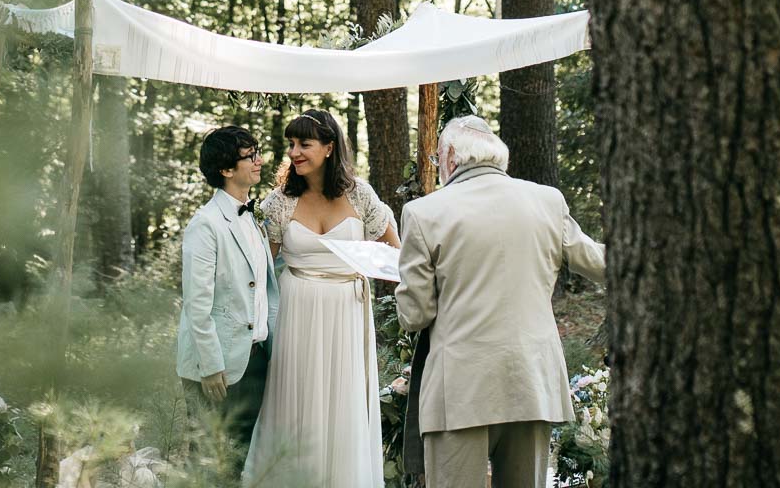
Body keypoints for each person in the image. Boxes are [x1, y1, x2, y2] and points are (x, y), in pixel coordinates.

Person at [395, 115, 606, 488]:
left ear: (450, 156)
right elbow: (599, 263)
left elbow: (415, 314)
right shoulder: (548, 201)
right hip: (532, 383)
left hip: (460, 391)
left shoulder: (424, 212)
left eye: (436, 159)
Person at [248, 109, 399, 488]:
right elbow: (259, 269)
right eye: (291, 144)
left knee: (342, 400)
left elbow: (395, 252)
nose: (294, 152)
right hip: (297, 309)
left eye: (304, 144)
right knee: (294, 399)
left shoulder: (360, 195)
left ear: (330, 147)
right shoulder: (279, 201)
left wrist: (366, 265)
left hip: (347, 308)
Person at [176, 125, 277, 472]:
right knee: (209, 464)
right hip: (217, 365)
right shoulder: (205, 224)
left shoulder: (253, 217)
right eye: (250, 156)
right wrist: (210, 366)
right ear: (226, 169)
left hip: (254, 359)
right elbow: (196, 304)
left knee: (236, 463)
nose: (259, 160)